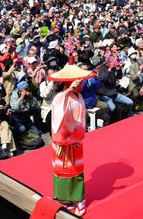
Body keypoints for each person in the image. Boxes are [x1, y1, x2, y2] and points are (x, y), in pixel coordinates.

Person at [47, 65, 95, 216]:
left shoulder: (78, 96)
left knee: (76, 171)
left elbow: (79, 120)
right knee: (60, 171)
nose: (81, 84)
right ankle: (64, 198)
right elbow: (58, 106)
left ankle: (80, 200)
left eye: (81, 82)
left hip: (74, 140)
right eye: (78, 82)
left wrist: (75, 133)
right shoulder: (61, 97)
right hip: (61, 140)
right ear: (69, 82)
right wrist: (67, 91)